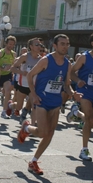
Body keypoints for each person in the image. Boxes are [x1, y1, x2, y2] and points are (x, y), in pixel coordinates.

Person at [17, 34, 77, 175]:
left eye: (67, 44)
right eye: (62, 43)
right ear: (55, 46)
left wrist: (73, 93)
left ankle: (34, 161)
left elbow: (67, 85)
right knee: (42, 132)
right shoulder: (46, 60)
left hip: (55, 102)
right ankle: (27, 127)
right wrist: (34, 95)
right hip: (42, 100)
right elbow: (30, 75)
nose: (65, 46)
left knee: (49, 134)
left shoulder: (68, 64)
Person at [67, 31, 93, 161]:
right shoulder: (84, 57)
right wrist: (78, 80)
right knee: (89, 118)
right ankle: (84, 150)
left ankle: (76, 113)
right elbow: (72, 72)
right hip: (84, 90)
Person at [9, 38, 41, 121]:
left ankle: (32, 125)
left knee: (34, 105)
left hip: (33, 87)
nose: (39, 46)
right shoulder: (25, 57)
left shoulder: (41, 59)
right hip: (22, 85)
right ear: (31, 46)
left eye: (40, 45)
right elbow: (13, 68)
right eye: (36, 44)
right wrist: (22, 72)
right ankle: (11, 105)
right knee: (19, 106)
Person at [0, 35, 17, 119]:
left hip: (7, 75)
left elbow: (14, 65)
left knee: (8, 91)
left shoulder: (13, 54)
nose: (11, 46)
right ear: (6, 43)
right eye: (10, 44)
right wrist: (2, 68)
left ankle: (4, 111)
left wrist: (12, 69)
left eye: (13, 44)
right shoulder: (0, 52)